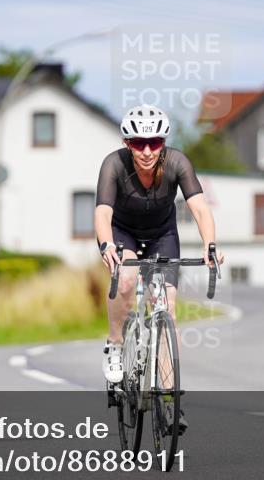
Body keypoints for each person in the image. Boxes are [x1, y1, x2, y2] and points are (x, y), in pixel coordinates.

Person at [93, 104, 224, 434]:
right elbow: (103, 213)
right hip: (122, 233)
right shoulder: (113, 164)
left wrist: (210, 245)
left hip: (162, 236)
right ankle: (115, 344)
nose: (147, 151)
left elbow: (200, 208)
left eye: (154, 142)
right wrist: (107, 245)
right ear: (127, 144)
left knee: (167, 308)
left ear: (163, 142)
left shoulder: (178, 163)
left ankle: (168, 398)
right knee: (125, 281)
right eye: (139, 143)